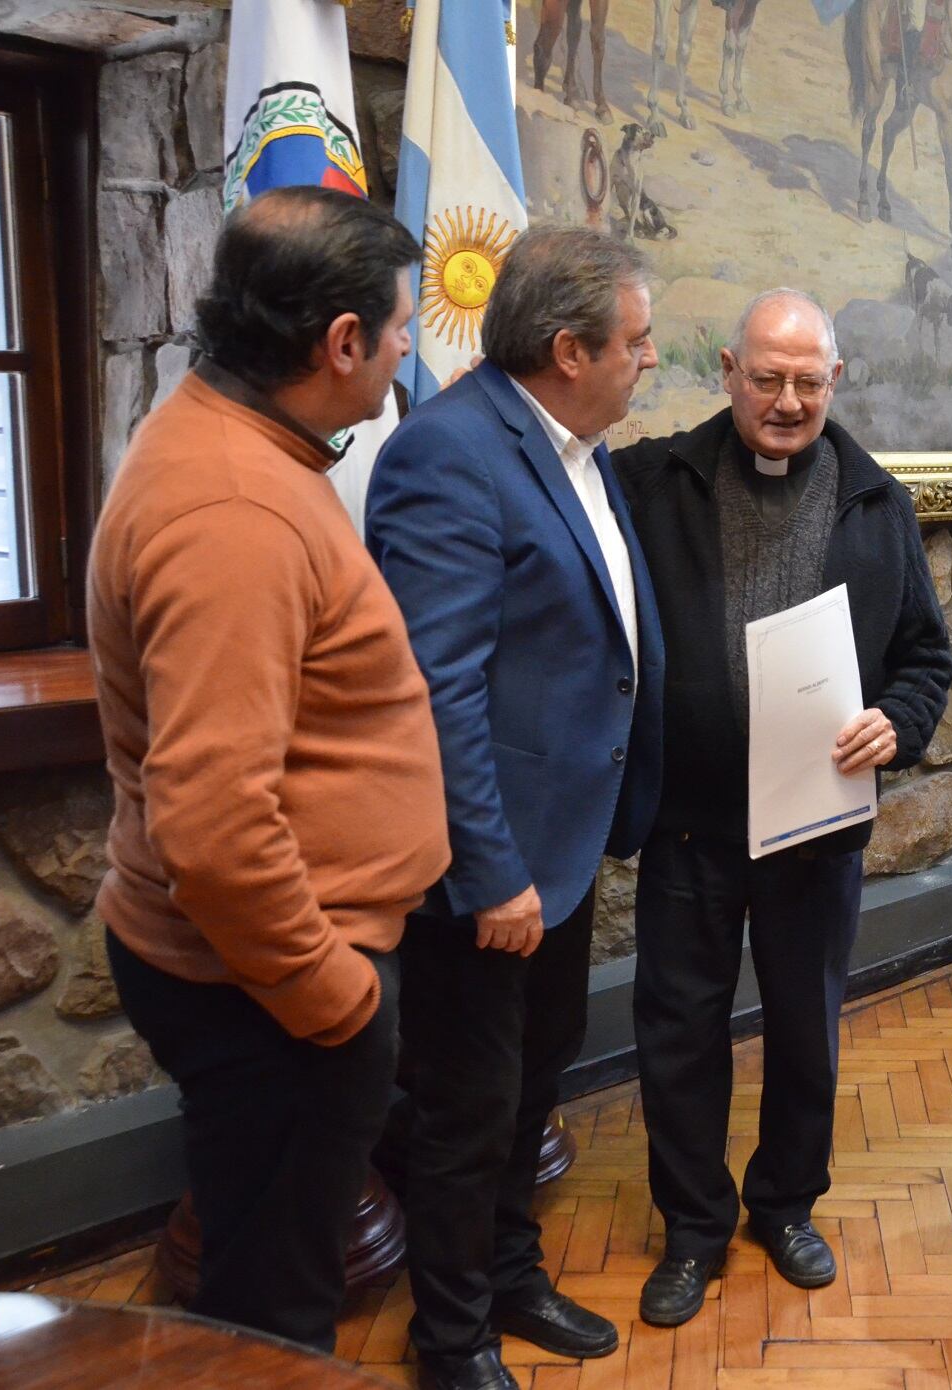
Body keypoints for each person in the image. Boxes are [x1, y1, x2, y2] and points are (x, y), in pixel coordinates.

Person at [88, 186, 448, 1352]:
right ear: (340, 342)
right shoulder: (236, 503)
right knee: (275, 1313)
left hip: (275, 976)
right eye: (398, 329)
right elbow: (212, 827)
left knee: (267, 1268)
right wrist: (332, 998)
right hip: (273, 990)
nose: (405, 351)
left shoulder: (230, 433)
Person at [612, 289, 952, 1329]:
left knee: (807, 1032)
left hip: (815, 831)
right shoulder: (650, 481)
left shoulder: (875, 503)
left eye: (809, 380)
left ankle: (787, 1202)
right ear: (727, 368)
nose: (788, 400)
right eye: (768, 376)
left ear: (835, 382)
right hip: (689, 824)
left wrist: (898, 721)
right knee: (679, 1031)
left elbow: (926, 659)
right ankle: (693, 1227)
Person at [365, 226, 665, 1390]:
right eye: (633, 342)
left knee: (533, 1084)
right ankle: (452, 1340)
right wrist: (488, 871)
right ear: (566, 350)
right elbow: (436, 689)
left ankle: (510, 1273)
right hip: (487, 868)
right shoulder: (452, 453)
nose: (649, 358)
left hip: (565, 847)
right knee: (467, 1110)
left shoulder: (576, 443)